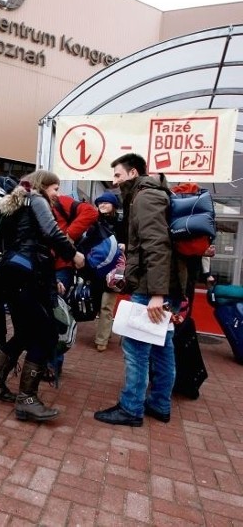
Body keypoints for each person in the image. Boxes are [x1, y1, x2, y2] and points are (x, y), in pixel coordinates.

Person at [0, 174, 85, 422]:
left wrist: (52, 280)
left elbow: (20, 243)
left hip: (13, 274)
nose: (57, 194)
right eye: (55, 188)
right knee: (46, 334)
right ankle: (27, 400)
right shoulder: (35, 199)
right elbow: (52, 233)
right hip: (27, 277)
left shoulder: (15, 205)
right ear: (42, 185)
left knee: (24, 334)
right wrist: (73, 254)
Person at [94, 153, 185, 427]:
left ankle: (131, 409)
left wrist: (157, 293)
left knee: (136, 350)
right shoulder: (154, 194)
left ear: (133, 173)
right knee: (162, 348)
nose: (114, 181)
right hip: (163, 286)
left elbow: (156, 246)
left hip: (151, 288)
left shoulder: (144, 198)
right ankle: (159, 404)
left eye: (118, 175)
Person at [26, 171, 98, 376]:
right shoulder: (32, 204)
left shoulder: (60, 202)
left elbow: (91, 213)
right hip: (40, 267)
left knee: (57, 316)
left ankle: (52, 364)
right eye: (55, 188)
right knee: (40, 318)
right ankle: (38, 363)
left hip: (59, 267)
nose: (58, 192)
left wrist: (66, 237)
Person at [91, 191, 124, 352]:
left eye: (106, 202)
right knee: (98, 303)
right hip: (96, 269)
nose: (102, 205)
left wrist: (125, 246)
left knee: (106, 306)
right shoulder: (93, 222)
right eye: (100, 203)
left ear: (114, 206)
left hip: (115, 270)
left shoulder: (122, 223)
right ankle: (105, 331)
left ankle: (101, 340)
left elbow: (131, 242)